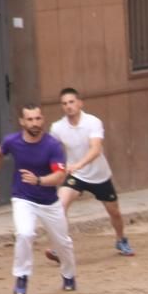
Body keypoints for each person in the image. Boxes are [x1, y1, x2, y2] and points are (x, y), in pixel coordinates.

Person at [0, 104, 75, 294]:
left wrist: (39, 180)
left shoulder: (52, 145)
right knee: (24, 234)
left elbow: (60, 176)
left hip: (49, 201)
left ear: (43, 119)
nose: (35, 123)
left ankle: (68, 275)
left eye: (38, 119)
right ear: (22, 122)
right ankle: (21, 277)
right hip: (23, 198)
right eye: (30, 119)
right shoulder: (12, 141)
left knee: (62, 243)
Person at [50, 88, 132, 257]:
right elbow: (52, 151)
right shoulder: (57, 128)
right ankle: (61, 247)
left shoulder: (93, 122)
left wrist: (78, 164)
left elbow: (96, 149)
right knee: (60, 203)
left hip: (99, 175)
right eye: (64, 103)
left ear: (80, 103)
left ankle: (121, 239)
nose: (68, 106)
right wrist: (57, 169)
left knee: (114, 212)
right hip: (76, 176)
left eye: (71, 102)